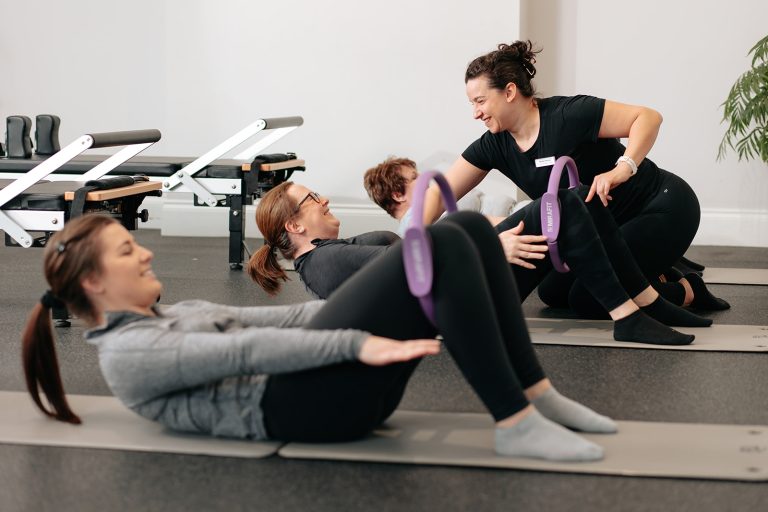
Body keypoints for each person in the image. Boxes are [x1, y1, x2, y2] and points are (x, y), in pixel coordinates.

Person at [23, 215, 619, 463]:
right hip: (303, 407)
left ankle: (535, 391)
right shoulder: (128, 356)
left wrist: (362, 312)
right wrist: (354, 344)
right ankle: (514, 422)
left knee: (462, 229)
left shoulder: (172, 313)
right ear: (95, 281)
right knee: (433, 244)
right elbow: (243, 353)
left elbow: (273, 323)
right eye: (129, 250)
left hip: (317, 389)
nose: (146, 250)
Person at [419, 40, 729, 319]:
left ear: (510, 91)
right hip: (607, 229)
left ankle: (689, 290)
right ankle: (656, 273)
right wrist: (414, 238)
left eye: (480, 101)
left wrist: (623, 168)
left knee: (589, 298)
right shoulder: (494, 144)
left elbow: (648, 117)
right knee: (553, 293)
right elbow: (440, 191)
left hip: (661, 206)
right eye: (472, 103)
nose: (476, 113)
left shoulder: (568, 115)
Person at [249, 181, 706, 346]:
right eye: (311, 199)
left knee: (568, 201)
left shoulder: (329, 253)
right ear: (294, 227)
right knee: (560, 206)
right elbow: (415, 267)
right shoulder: (324, 265)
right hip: (467, 304)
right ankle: (630, 314)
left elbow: (416, 254)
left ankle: (644, 300)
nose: (323, 197)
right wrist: (492, 246)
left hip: (467, 288)